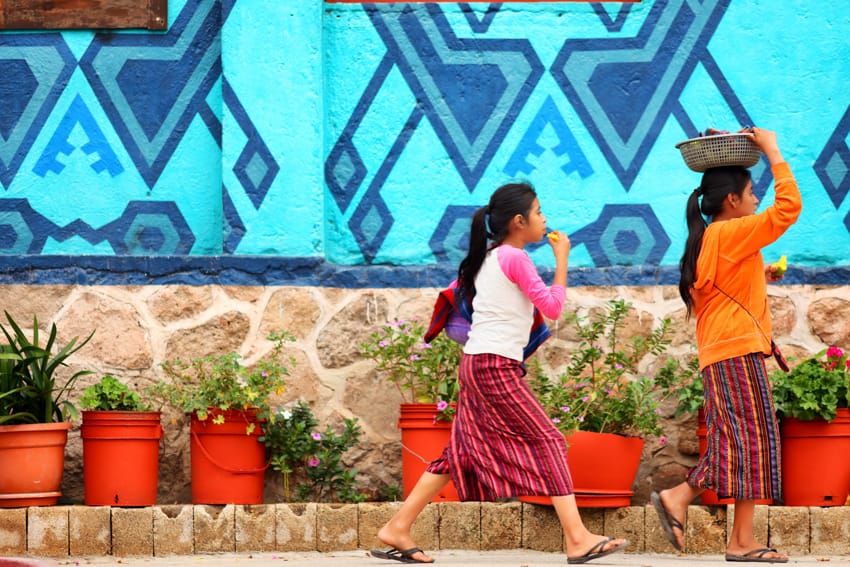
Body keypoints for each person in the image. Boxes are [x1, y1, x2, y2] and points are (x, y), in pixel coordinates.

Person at [371, 182, 629, 565]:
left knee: (458, 453)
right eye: (539, 212)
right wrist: (562, 259)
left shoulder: (490, 257)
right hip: (493, 366)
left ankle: (397, 527)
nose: (545, 220)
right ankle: (577, 539)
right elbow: (552, 308)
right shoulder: (516, 259)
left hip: (477, 363)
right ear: (519, 221)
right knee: (550, 441)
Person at [652, 126, 802, 564]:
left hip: (725, 352)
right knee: (750, 441)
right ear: (732, 201)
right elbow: (788, 209)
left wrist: (761, 275)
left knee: (738, 442)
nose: (757, 200)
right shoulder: (728, 233)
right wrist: (772, 149)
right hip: (734, 352)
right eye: (752, 193)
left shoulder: (712, 238)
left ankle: (730, 533)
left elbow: (715, 291)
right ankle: (688, 504)